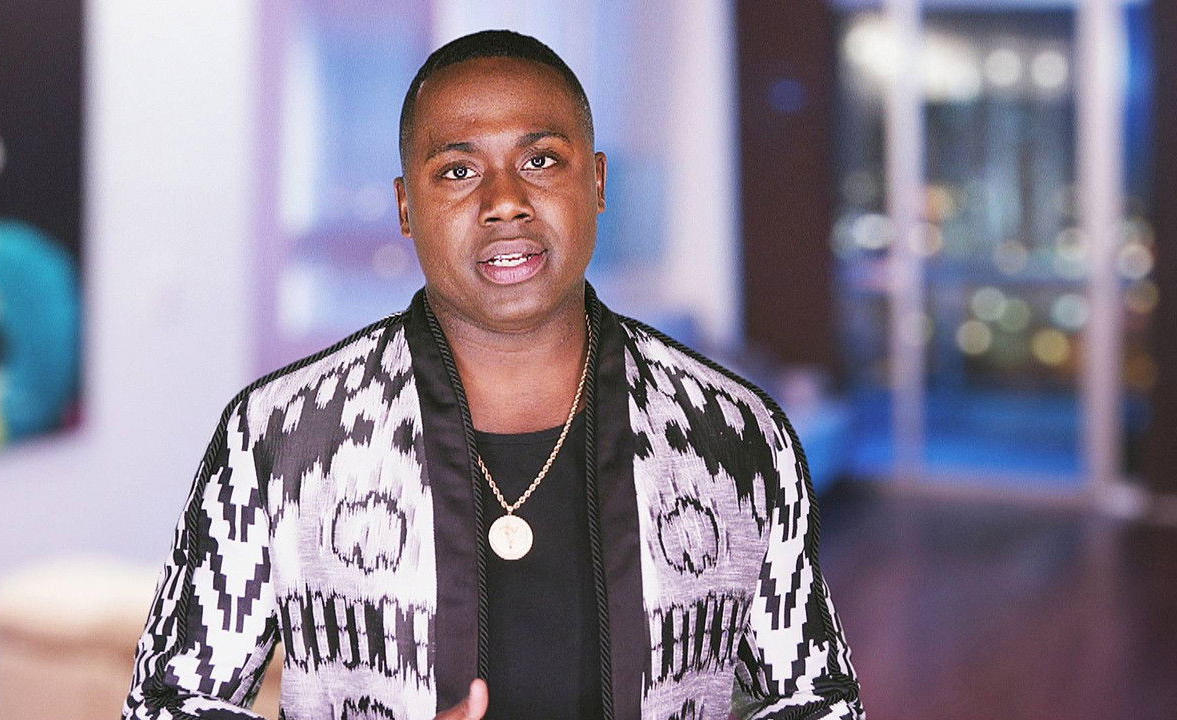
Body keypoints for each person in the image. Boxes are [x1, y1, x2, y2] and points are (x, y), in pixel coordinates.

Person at [123, 29, 863, 720]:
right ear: (406, 207)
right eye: (458, 170)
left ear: (597, 182)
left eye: (540, 161)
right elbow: (166, 704)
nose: (505, 201)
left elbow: (820, 701)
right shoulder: (281, 434)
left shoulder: (735, 433)